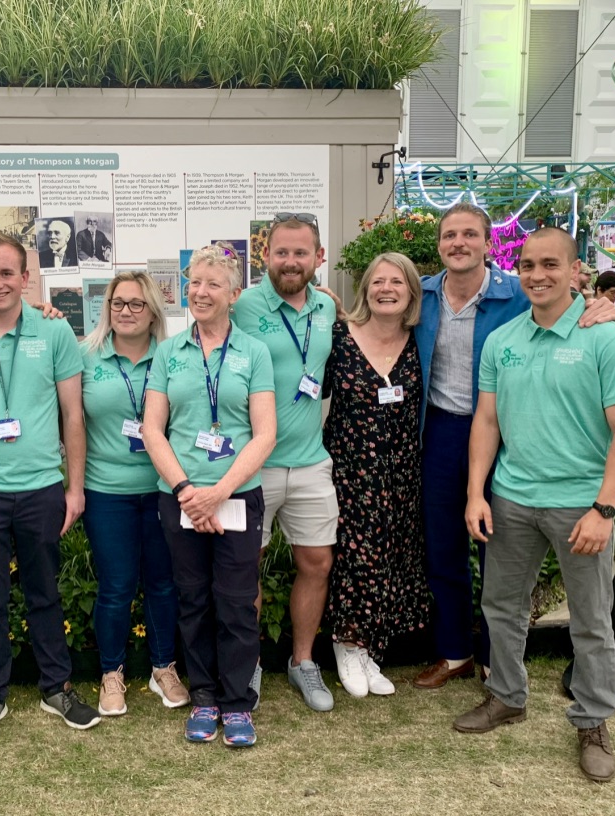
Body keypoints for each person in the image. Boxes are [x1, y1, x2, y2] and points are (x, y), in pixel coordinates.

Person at [457, 227, 615, 784]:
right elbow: (486, 421)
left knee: (590, 623)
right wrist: (476, 493)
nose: (538, 275)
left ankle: (592, 722)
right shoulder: (503, 339)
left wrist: (604, 508)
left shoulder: (603, 338)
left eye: (550, 265)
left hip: (579, 506)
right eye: (528, 265)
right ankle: (507, 695)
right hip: (513, 498)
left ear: (575, 271)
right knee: (502, 610)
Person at [413, 204, 615, 691]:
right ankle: (454, 652)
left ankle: (494, 659)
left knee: (497, 549)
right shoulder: (419, 296)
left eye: (469, 234)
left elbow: (561, 304)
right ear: (439, 245)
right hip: (441, 429)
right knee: (443, 546)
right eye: (449, 235)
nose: (458, 242)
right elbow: (369, 310)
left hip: (505, 430)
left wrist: (601, 304)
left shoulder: (515, 293)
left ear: (489, 243)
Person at [0, 230, 100, 748]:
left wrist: (74, 488)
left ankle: (58, 687)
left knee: (44, 594)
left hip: (41, 489)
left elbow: (74, 415)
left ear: (25, 278)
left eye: (6, 272)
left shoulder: (55, 333)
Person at [142, 245, 276, 748]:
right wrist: (186, 493)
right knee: (193, 600)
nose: (200, 292)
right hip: (177, 498)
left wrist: (217, 493)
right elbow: (154, 430)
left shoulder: (253, 352)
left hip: (237, 496)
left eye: (212, 284)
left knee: (237, 603)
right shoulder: (168, 352)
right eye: (194, 282)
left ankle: (237, 702)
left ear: (234, 294)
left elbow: (265, 434)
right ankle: (203, 697)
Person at [233, 212, 338, 713]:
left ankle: (302, 661)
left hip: (312, 460)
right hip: (255, 465)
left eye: (301, 252)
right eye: (282, 252)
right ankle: (247, 661)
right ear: (266, 256)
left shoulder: (326, 307)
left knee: (316, 562)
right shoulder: (245, 306)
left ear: (318, 257)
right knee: (245, 565)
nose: (291, 261)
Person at [79, 271, 188, 716]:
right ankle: (111, 673)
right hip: (106, 491)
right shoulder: (86, 356)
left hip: (164, 488)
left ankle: (163, 668)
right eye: (117, 303)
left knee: (163, 584)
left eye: (136, 304)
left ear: (153, 312)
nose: (125, 311)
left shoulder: (174, 356)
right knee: (117, 586)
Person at [322, 252, 431, 697]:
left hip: (402, 470)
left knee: (391, 557)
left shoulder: (422, 338)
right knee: (354, 555)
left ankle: (371, 648)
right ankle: (347, 644)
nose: (386, 289)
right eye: (378, 281)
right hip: (350, 467)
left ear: (411, 293)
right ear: (365, 288)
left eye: (397, 282)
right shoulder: (339, 336)